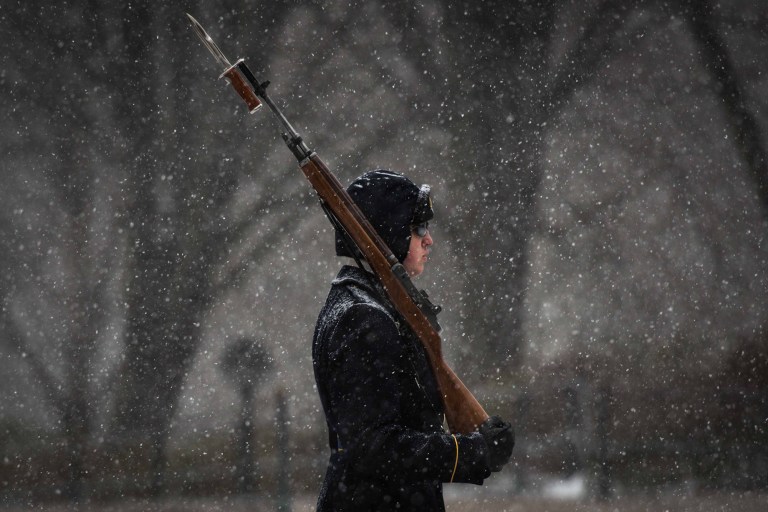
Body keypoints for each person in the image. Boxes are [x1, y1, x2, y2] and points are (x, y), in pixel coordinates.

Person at [312, 169, 515, 511]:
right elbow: (373, 448)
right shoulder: (363, 318)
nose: (428, 239)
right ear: (387, 232)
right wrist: (469, 452)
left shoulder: (366, 304)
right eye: (416, 227)